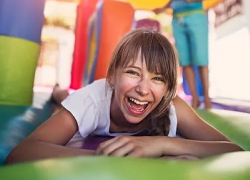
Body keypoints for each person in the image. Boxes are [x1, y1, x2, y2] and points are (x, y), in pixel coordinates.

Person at [5, 29, 242, 165]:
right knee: (62, 98)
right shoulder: (92, 100)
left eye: (157, 79)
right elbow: (21, 153)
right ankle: (58, 91)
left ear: (168, 87)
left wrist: (163, 144)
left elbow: (234, 150)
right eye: (132, 72)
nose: (143, 88)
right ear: (112, 77)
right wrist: (111, 156)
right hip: (81, 98)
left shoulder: (172, 106)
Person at [153, 0, 213, 109]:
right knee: (185, 60)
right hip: (177, 20)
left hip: (196, 18)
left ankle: (207, 98)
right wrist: (163, 8)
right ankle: (195, 98)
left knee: (201, 58)